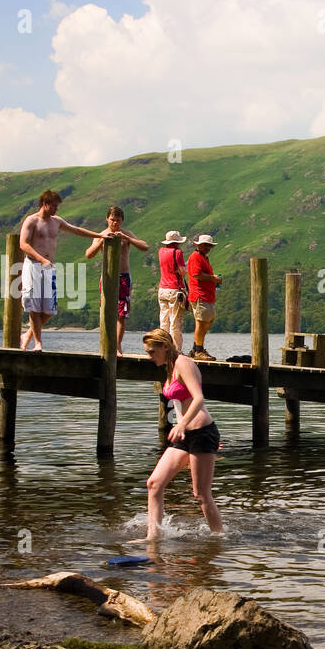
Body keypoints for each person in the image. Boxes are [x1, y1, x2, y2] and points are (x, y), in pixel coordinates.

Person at [142, 327, 223, 539]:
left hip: (202, 433)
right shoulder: (169, 367)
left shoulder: (183, 363)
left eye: (152, 352)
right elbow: (180, 402)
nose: (149, 357)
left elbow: (198, 398)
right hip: (185, 436)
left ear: (165, 347)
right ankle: (153, 538)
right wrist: (181, 426)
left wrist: (181, 424)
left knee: (201, 495)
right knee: (154, 484)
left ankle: (219, 538)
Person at [18, 189, 110, 351]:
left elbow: (77, 230)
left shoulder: (56, 221)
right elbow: (23, 244)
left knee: (49, 309)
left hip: (48, 268)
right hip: (33, 265)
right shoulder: (31, 221)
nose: (56, 209)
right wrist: (41, 259)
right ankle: (38, 343)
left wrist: (100, 236)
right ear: (45, 204)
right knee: (34, 306)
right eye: (54, 206)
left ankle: (28, 334)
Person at [84, 205, 149, 355]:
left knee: (122, 313)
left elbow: (144, 247)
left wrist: (127, 238)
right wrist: (101, 241)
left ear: (122, 221)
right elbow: (89, 254)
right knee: (106, 311)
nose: (115, 223)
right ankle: (106, 344)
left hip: (124, 276)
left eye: (118, 221)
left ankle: (117, 346)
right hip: (107, 277)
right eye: (112, 220)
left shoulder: (126, 234)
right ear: (107, 219)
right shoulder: (101, 234)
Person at [186, 234, 223, 361]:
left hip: (206, 295)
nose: (208, 247)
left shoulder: (202, 257)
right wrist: (213, 278)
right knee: (202, 323)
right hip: (200, 294)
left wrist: (212, 279)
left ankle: (196, 348)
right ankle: (198, 350)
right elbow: (197, 275)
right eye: (205, 245)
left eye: (209, 245)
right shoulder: (196, 256)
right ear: (199, 245)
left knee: (206, 321)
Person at [156, 230, 190, 351]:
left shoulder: (161, 251)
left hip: (162, 289)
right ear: (177, 242)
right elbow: (183, 272)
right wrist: (186, 266)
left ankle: (162, 348)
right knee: (175, 321)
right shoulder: (177, 252)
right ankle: (176, 350)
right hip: (174, 289)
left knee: (164, 320)